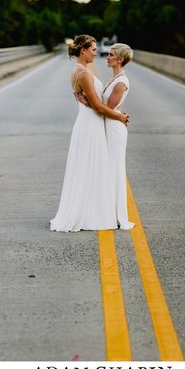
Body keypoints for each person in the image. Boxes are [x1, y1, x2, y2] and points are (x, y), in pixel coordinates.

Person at [50, 35, 131, 232]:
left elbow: (92, 102)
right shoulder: (84, 74)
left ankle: (91, 209)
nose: (97, 53)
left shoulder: (80, 70)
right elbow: (98, 107)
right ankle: (88, 214)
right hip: (90, 125)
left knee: (90, 168)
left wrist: (90, 103)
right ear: (84, 50)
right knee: (90, 167)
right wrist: (119, 117)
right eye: (94, 50)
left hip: (89, 122)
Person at [102, 43, 134, 230]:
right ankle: (107, 210)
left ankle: (117, 215)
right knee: (107, 169)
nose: (107, 57)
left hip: (114, 129)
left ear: (120, 59)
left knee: (115, 169)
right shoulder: (115, 78)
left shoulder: (121, 82)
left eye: (111, 54)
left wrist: (88, 101)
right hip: (110, 125)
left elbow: (107, 109)